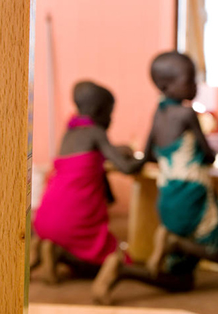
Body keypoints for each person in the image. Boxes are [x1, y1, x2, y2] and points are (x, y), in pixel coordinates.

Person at [92, 52, 218, 305]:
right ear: (166, 86)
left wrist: (130, 161)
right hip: (194, 198)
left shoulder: (158, 113)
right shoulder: (187, 114)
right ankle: (178, 244)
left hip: (168, 201)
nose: (195, 85)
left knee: (181, 281)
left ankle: (122, 270)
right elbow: (208, 155)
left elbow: (148, 155)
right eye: (189, 80)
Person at [32, 81, 142, 280]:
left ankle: (53, 249)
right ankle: (62, 254)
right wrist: (147, 156)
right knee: (111, 260)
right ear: (99, 111)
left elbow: (87, 157)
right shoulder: (97, 133)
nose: (111, 118)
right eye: (110, 112)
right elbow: (126, 168)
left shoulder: (70, 133)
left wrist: (118, 149)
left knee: (78, 249)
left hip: (46, 218)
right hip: (75, 222)